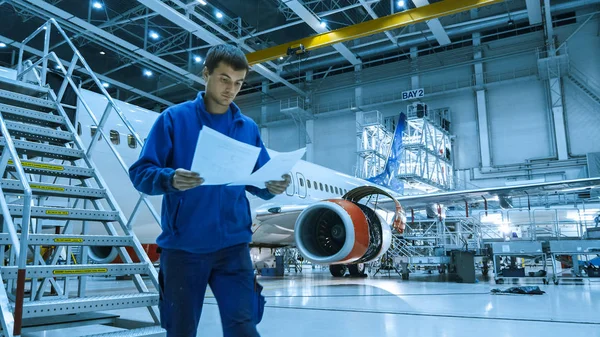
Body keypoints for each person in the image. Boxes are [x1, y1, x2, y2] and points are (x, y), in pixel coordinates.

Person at [128, 44, 291, 337]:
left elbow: (258, 182)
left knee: (244, 327)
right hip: (184, 249)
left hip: (233, 248)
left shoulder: (247, 128)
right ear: (206, 74)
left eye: (238, 83)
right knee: (180, 330)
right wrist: (170, 178)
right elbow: (140, 173)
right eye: (224, 79)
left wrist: (272, 186)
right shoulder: (174, 120)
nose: (231, 89)